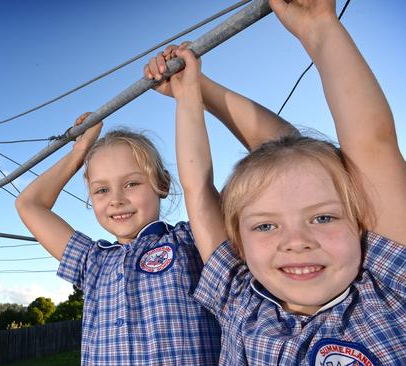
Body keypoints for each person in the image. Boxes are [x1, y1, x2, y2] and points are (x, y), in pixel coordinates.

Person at [151, 0, 406, 364]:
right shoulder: (240, 298)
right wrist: (188, 93)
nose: (296, 242)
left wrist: (320, 28)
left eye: (323, 218)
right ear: (238, 240)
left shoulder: (390, 291)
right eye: (266, 225)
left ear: (360, 222)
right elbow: (198, 187)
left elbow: (372, 145)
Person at [16, 40, 296, 366]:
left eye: (132, 183)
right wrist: (79, 152)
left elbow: (284, 148)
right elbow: (29, 204)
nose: (117, 199)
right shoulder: (93, 263)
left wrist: (195, 89)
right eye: (101, 190)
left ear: (161, 184)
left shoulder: (193, 240)